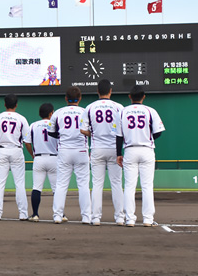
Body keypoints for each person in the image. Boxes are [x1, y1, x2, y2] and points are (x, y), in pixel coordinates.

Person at [116, 85, 165, 227]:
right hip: (146, 149)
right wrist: (147, 137)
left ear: (130, 96)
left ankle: (130, 219)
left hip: (130, 150)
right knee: (147, 186)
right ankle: (148, 219)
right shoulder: (150, 111)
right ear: (143, 97)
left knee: (129, 186)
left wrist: (118, 154)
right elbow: (158, 132)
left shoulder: (123, 112)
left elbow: (119, 136)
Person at [80, 79, 125, 226]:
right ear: (110, 91)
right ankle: (119, 217)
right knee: (116, 183)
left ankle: (96, 218)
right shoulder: (119, 107)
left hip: (97, 148)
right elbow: (124, 130)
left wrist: (93, 134)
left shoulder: (90, 107)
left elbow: (82, 129)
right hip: (114, 148)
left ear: (98, 91)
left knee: (97, 184)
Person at [49, 86, 91, 224]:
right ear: (80, 98)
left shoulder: (58, 112)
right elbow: (90, 130)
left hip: (64, 150)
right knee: (83, 185)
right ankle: (86, 216)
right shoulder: (85, 111)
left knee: (61, 184)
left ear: (66, 98)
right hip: (81, 150)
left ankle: (57, 215)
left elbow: (52, 132)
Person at [0, 93, 31, 221]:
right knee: (19, 183)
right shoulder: (21, 118)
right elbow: (27, 140)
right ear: (16, 105)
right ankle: (23, 213)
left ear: (4, 104)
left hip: (1, 150)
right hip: (16, 150)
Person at [24, 103, 59, 222]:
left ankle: (35, 214)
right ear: (50, 113)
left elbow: (27, 142)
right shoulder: (55, 125)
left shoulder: (33, 125)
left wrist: (32, 154)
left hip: (38, 158)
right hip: (54, 158)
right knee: (57, 188)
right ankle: (60, 215)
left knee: (36, 187)